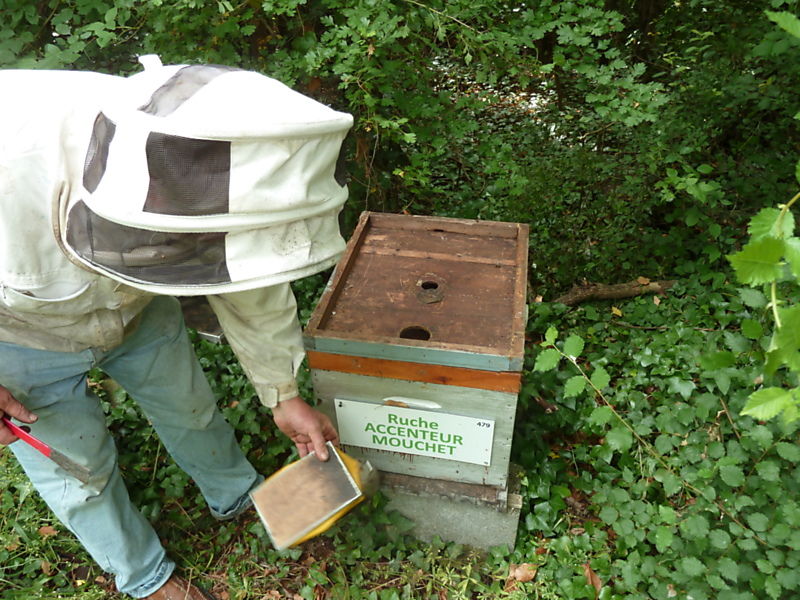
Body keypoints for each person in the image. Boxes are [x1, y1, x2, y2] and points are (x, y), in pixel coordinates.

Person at [0, 56, 352, 599]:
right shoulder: (13, 150)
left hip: (140, 310)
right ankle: (146, 578)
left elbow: (247, 275)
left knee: (190, 407)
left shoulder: (207, 147)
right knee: (78, 470)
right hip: (22, 336)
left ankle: (238, 496)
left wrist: (282, 393)